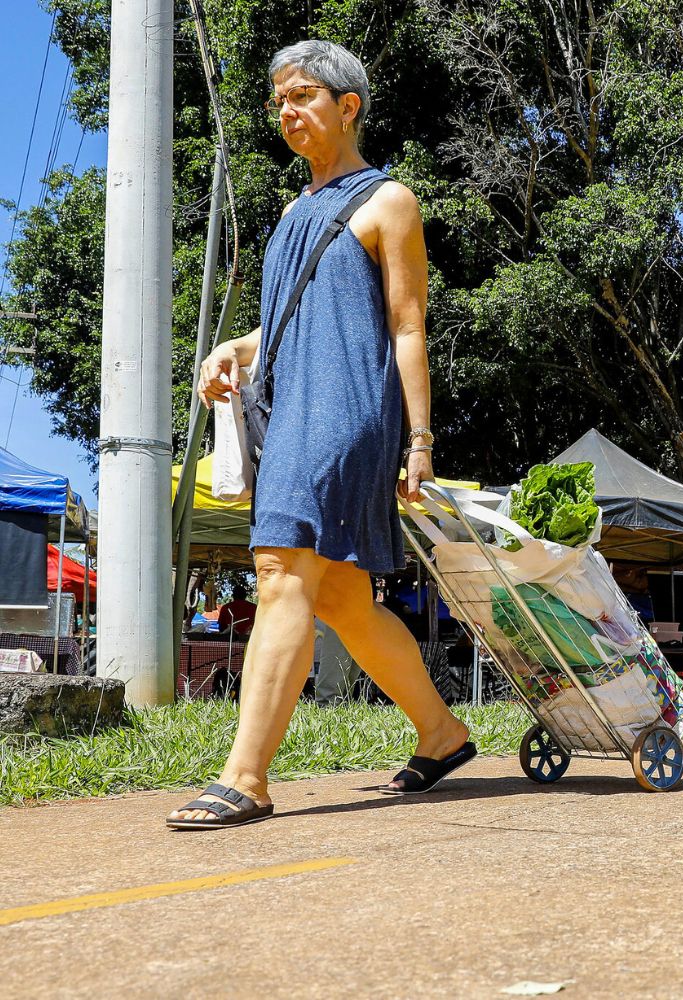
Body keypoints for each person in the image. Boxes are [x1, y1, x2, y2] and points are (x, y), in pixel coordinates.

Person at [169, 41, 472, 829]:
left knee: (279, 569)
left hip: (346, 416)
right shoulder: (293, 214)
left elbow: (407, 328)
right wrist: (232, 349)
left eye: (304, 95)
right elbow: (293, 324)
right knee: (338, 594)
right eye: (279, 101)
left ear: (349, 105)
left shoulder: (388, 201)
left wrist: (420, 440)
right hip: (293, 406)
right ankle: (442, 732)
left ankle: (247, 777)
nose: (288, 111)